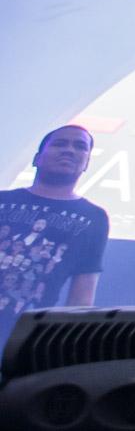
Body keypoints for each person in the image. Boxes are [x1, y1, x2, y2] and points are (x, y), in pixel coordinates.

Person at [1, 124, 109, 346]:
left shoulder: (94, 217)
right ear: (36, 159)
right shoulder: (3, 200)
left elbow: (83, 291)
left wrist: (68, 343)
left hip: (24, 337)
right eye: (60, 143)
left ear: (87, 163)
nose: (69, 150)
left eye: (80, 146)